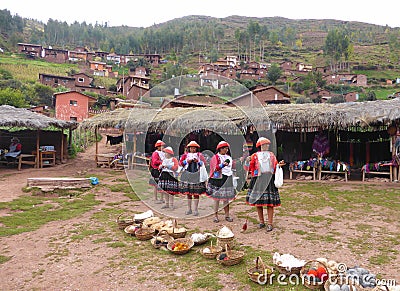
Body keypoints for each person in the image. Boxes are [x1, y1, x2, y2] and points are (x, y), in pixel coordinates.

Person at [245, 137, 285, 232]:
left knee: (270, 203)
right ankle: (261, 222)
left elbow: (275, 166)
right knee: (259, 203)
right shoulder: (255, 156)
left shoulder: (271, 155)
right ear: (260, 146)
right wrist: (247, 161)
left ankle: (270, 223)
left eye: (267, 144)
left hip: (269, 179)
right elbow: (249, 168)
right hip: (258, 180)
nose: (266, 146)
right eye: (264, 144)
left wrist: (279, 165)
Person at [206, 141, 236, 223]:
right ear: (220, 149)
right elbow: (214, 168)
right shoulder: (215, 157)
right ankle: (215, 215)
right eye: (224, 148)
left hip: (227, 177)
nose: (226, 150)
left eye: (227, 148)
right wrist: (222, 165)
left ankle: (227, 215)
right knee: (217, 198)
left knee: (226, 198)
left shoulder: (229, 157)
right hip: (218, 179)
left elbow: (233, 167)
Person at [179, 141, 207, 216]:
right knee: (188, 193)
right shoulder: (185, 155)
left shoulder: (199, 155)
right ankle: (189, 209)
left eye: (194, 148)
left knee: (196, 193)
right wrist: (186, 161)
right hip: (187, 174)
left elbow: (204, 163)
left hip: (196, 175)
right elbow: (180, 163)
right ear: (189, 148)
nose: (193, 149)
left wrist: (198, 161)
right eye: (191, 148)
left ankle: (196, 209)